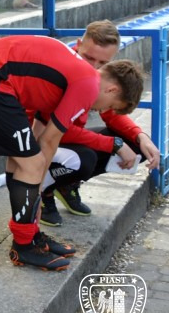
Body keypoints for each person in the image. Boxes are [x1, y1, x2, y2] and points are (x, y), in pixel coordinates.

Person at [0, 35, 144, 271]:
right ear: (112, 89)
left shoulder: (78, 77)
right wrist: (37, 193)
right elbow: (50, 140)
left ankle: (30, 236)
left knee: (23, 161)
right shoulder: (88, 84)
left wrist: (36, 195)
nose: (103, 110)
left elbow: (42, 134)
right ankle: (23, 246)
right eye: (111, 105)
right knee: (32, 164)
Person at [38, 20, 160, 226]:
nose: (93, 67)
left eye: (102, 62)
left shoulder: (97, 76)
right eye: (89, 57)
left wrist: (141, 136)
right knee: (86, 158)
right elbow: (53, 130)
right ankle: (44, 191)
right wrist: (113, 144)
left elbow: (110, 113)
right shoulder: (61, 71)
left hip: (63, 137)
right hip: (40, 140)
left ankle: (66, 185)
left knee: (134, 145)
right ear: (78, 45)